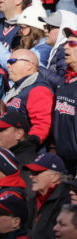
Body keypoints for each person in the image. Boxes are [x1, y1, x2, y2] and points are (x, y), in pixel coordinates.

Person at [3, 48, 54, 144]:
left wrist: (26, 147)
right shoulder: (19, 87)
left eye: (12, 61)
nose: (8, 65)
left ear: (29, 66)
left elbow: (41, 126)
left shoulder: (38, 89)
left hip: (24, 152)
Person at [25, 153, 72, 238]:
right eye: (31, 172)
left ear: (55, 177)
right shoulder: (33, 200)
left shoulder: (67, 201)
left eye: (36, 172)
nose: (31, 176)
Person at [53, 26, 77, 165]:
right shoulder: (64, 80)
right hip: (62, 158)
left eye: (72, 43)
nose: (65, 47)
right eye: (65, 43)